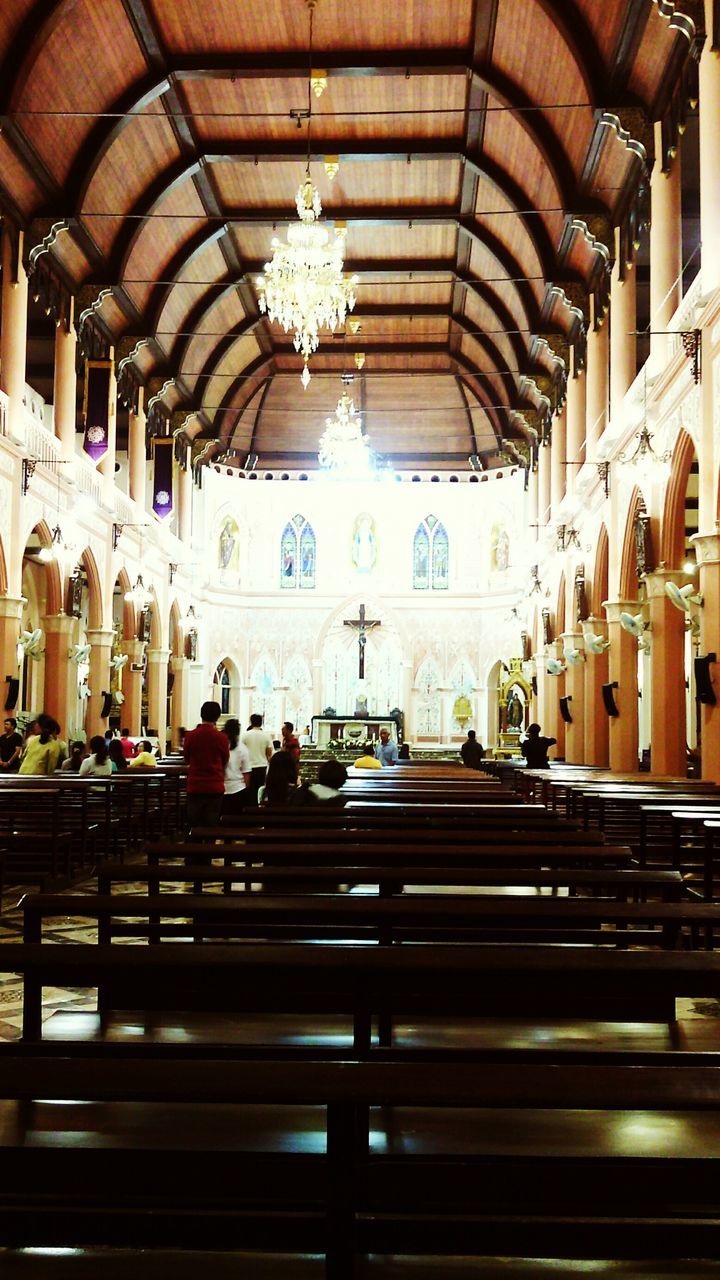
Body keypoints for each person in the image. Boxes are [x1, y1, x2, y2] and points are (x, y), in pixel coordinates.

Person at [183, 701, 230, 831]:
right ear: (218, 716)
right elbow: (225, 760)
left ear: (201, 715)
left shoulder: (190, 736)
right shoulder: (222, 738)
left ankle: (194, 848)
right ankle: (209, 849)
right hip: (214, 786)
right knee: (211, 826)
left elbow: (187, 759)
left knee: (194, 825)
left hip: (195, 785)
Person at [242, 713, 274, 805]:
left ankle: (249, 809)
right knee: (260, 790)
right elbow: (269, 753)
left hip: (248, 767)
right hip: (262, 766)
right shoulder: (266, 735)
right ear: (261, 722)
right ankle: (258, 808)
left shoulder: (245, 735)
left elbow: (241, 751)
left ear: (251, 722)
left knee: (249, 791)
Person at [222, 718, 251, 817]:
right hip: (238, 789)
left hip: (221, 789)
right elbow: (246, 773)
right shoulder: (243, 749)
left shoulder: (221, 746)